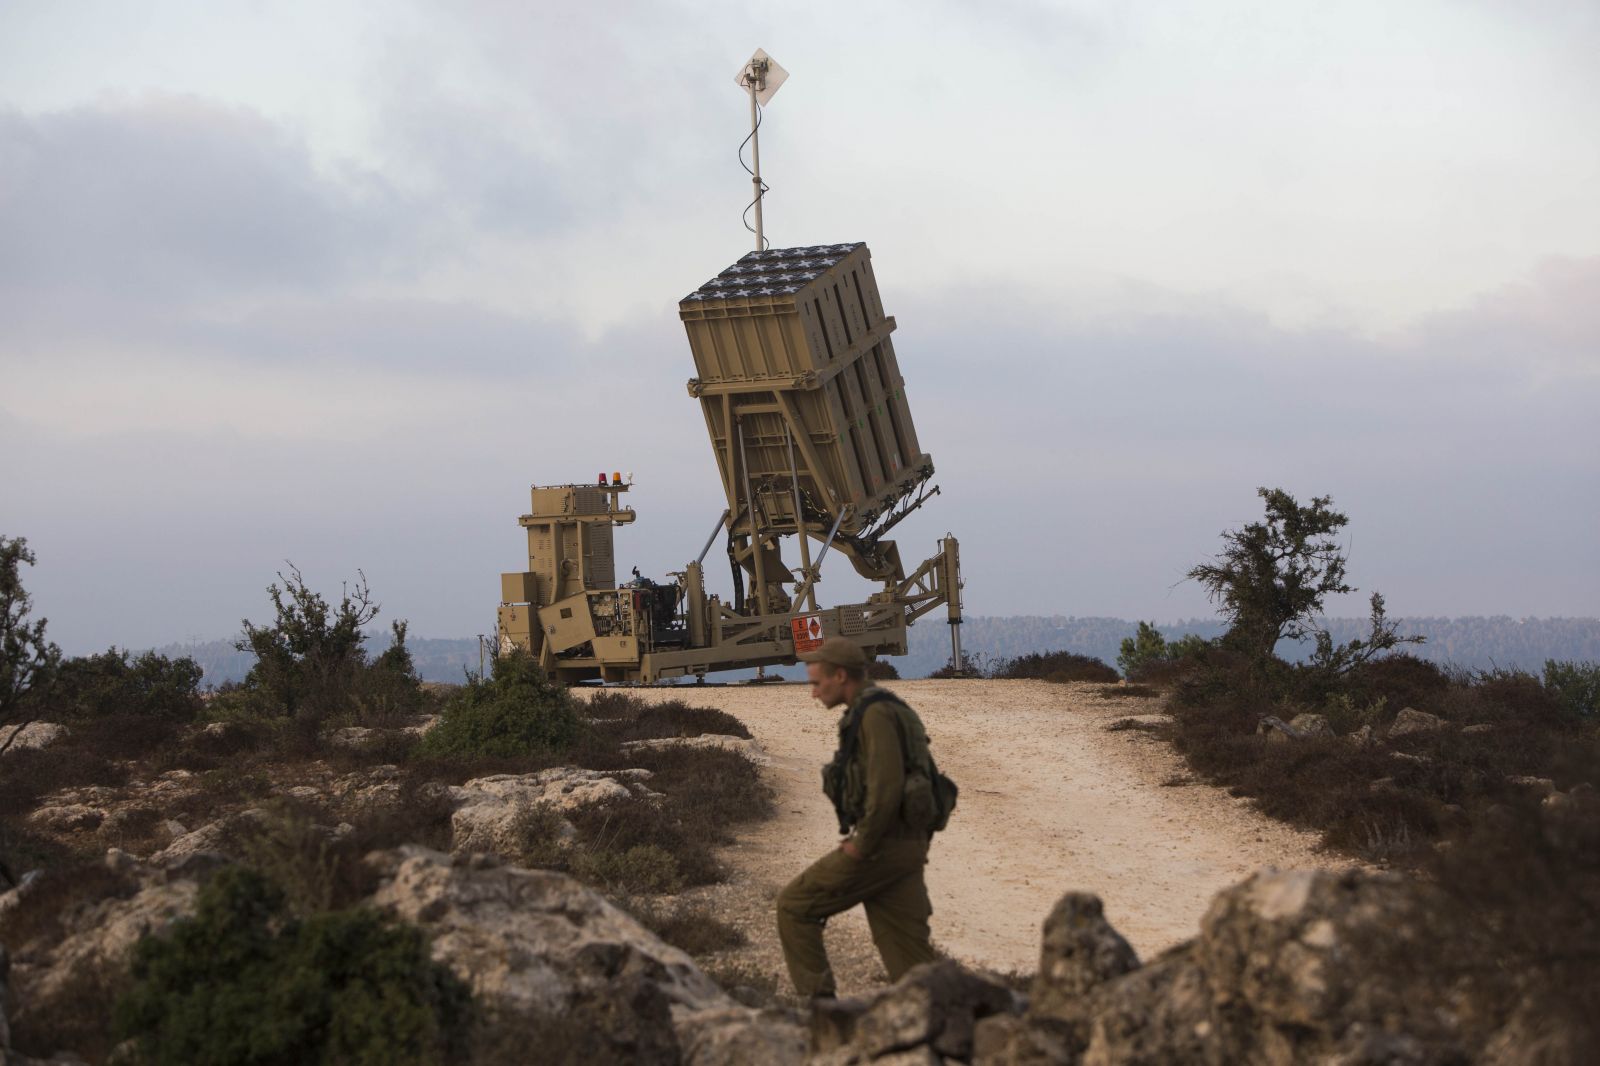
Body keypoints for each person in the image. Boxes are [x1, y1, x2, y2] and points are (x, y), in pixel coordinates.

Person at [774, 637, 940, 999]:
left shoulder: (875, 714)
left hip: (882, 847)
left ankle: (823, 1014)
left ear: (840, 676)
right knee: (912, 964)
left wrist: (861, 845)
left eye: (817, 683)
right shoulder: (882, 706)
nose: (813, 693)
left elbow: (886, 786)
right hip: (906, 845)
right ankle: (949, 1021)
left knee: (794, 906)